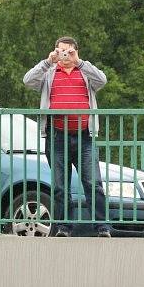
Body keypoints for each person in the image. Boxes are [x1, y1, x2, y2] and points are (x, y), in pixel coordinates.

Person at [23, 36, 111, 237]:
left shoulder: (85, 72)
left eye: (69, 51)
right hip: (57, 136)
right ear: (55, 51)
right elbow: (28, 80)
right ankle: (64, 227)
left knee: (93, 183)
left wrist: (79, 61)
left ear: (76, 52)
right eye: (61, 51)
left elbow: (102, 80)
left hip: (84, 137)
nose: (65, 55)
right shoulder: (49, 73)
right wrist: (48, 61)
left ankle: (102, 227)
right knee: (60, 187)